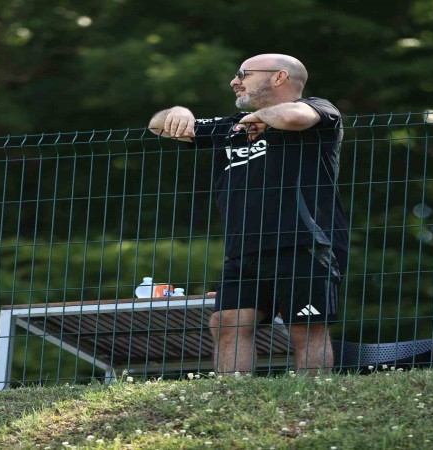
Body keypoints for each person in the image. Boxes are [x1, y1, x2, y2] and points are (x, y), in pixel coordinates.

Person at [148, 53, 349, 375]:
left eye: (244, 74)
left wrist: (259, 117)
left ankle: (313, 396)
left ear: (279, 77)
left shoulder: (318, 108)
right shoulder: (232, 126)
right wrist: (178, 113)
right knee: (226, 323)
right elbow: (157, 127)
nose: (234, 81)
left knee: (306, 327)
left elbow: (295, 117)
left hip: (304, 242)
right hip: (243, 249)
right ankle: (233, 396)